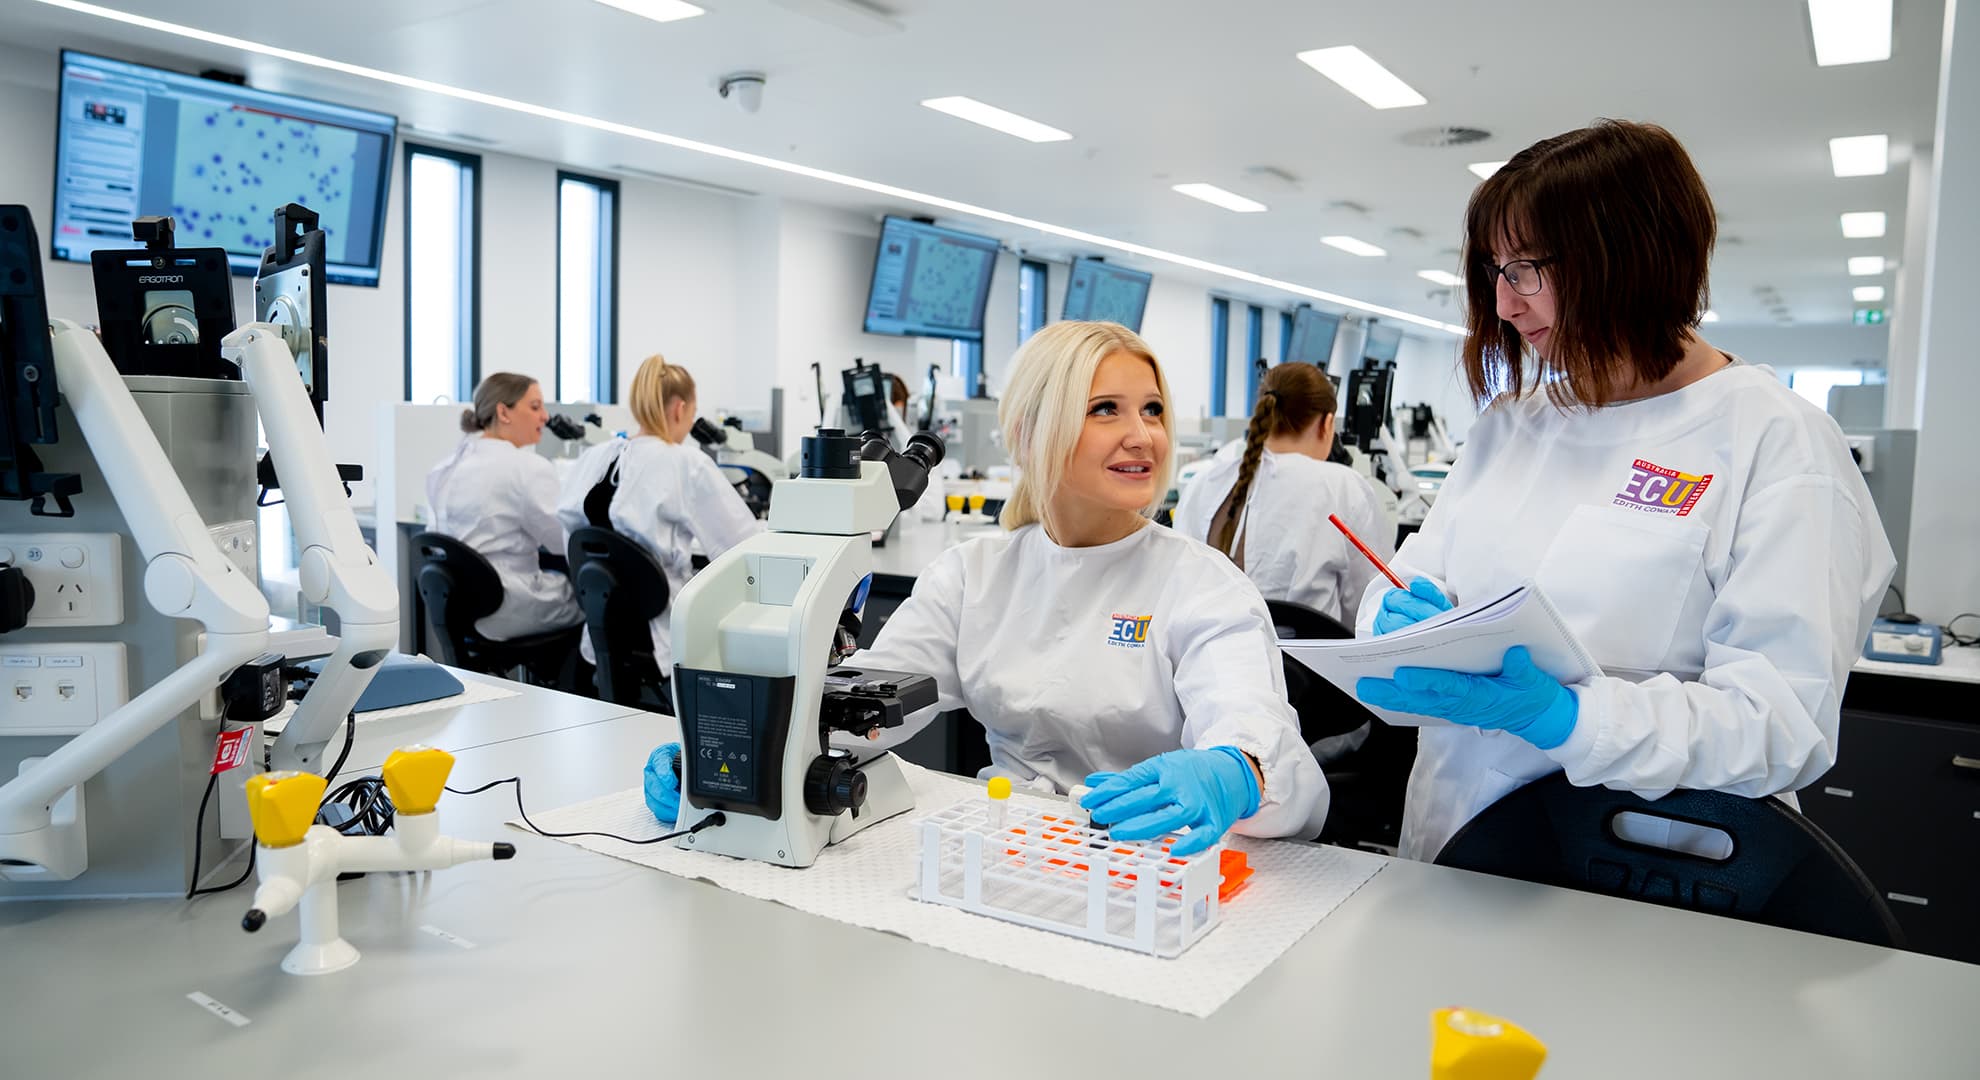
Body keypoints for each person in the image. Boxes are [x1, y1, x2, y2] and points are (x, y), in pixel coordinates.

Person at [1351, 120, 1896, 861]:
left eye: (1528, 270)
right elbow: (1411, 577)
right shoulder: (1510, 427)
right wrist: (1393, 617)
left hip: (1640, 875)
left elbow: (1779, 724)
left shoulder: (1774, 439)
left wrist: (1571, 719)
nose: (1506, 306)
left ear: (1631, 259)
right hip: (1453, 843)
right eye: (1494, 271)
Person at [646, 322, 1327, 854]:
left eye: (1152, 410)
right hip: (1019, 852)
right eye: (1105, 410)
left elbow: (1264, 744)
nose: (1141, 434)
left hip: (1170, 866)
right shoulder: (975, 576)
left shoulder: (1202, 585)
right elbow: (869, 708)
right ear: (1030, 434)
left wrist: (1235, 773)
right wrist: (744, 746)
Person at [557, 353, 762, 673]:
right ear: (681, 408)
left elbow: (571, 538)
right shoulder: (686, 463)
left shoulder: (594, 458)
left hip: (603, 627)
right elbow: (744, 549)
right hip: (663, 631)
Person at [1174, 361, 1391, 626]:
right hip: (1304, 665)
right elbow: (1370, 602)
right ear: (1327, 423)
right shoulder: (1343, 487)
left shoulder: (1205, 481)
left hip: (1206, 658)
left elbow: (1179, 589)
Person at [426, 373, 582, 640]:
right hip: (505, 603)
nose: (545, 416)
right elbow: (564, 542)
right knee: (592, 601)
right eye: (535, 407)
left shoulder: (445, 468)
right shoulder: (527, 468)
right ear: (503, 412)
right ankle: (556, 683)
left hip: (458, 605)